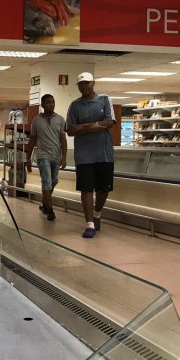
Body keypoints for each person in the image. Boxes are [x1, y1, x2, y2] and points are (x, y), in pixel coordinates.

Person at [66, 72, 115, 238]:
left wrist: (83, 127)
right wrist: (95, 125)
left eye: (87, 83)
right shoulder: (74, 106)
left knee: (103, 189)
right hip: (84, 155)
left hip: (104, 154)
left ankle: (97, 214)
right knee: (86, 189)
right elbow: (71, 130)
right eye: (81, 84)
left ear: (93, 83)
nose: (84, 86)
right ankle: (89, 224)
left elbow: (109, 122)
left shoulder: (104, 100)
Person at [26, 94, 67, 221]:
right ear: (42, 105)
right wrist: (28, 159)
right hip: (42, 155)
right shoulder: (36, 120)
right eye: (48, 102)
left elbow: (63, 139)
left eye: (53, 102)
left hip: (55, 156)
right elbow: (32, 140)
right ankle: (50, 210)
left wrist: (64, 157)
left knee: (54, 181)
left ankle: (44, 203)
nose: (51, 104)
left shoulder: (60, 119)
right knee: (47, 181)